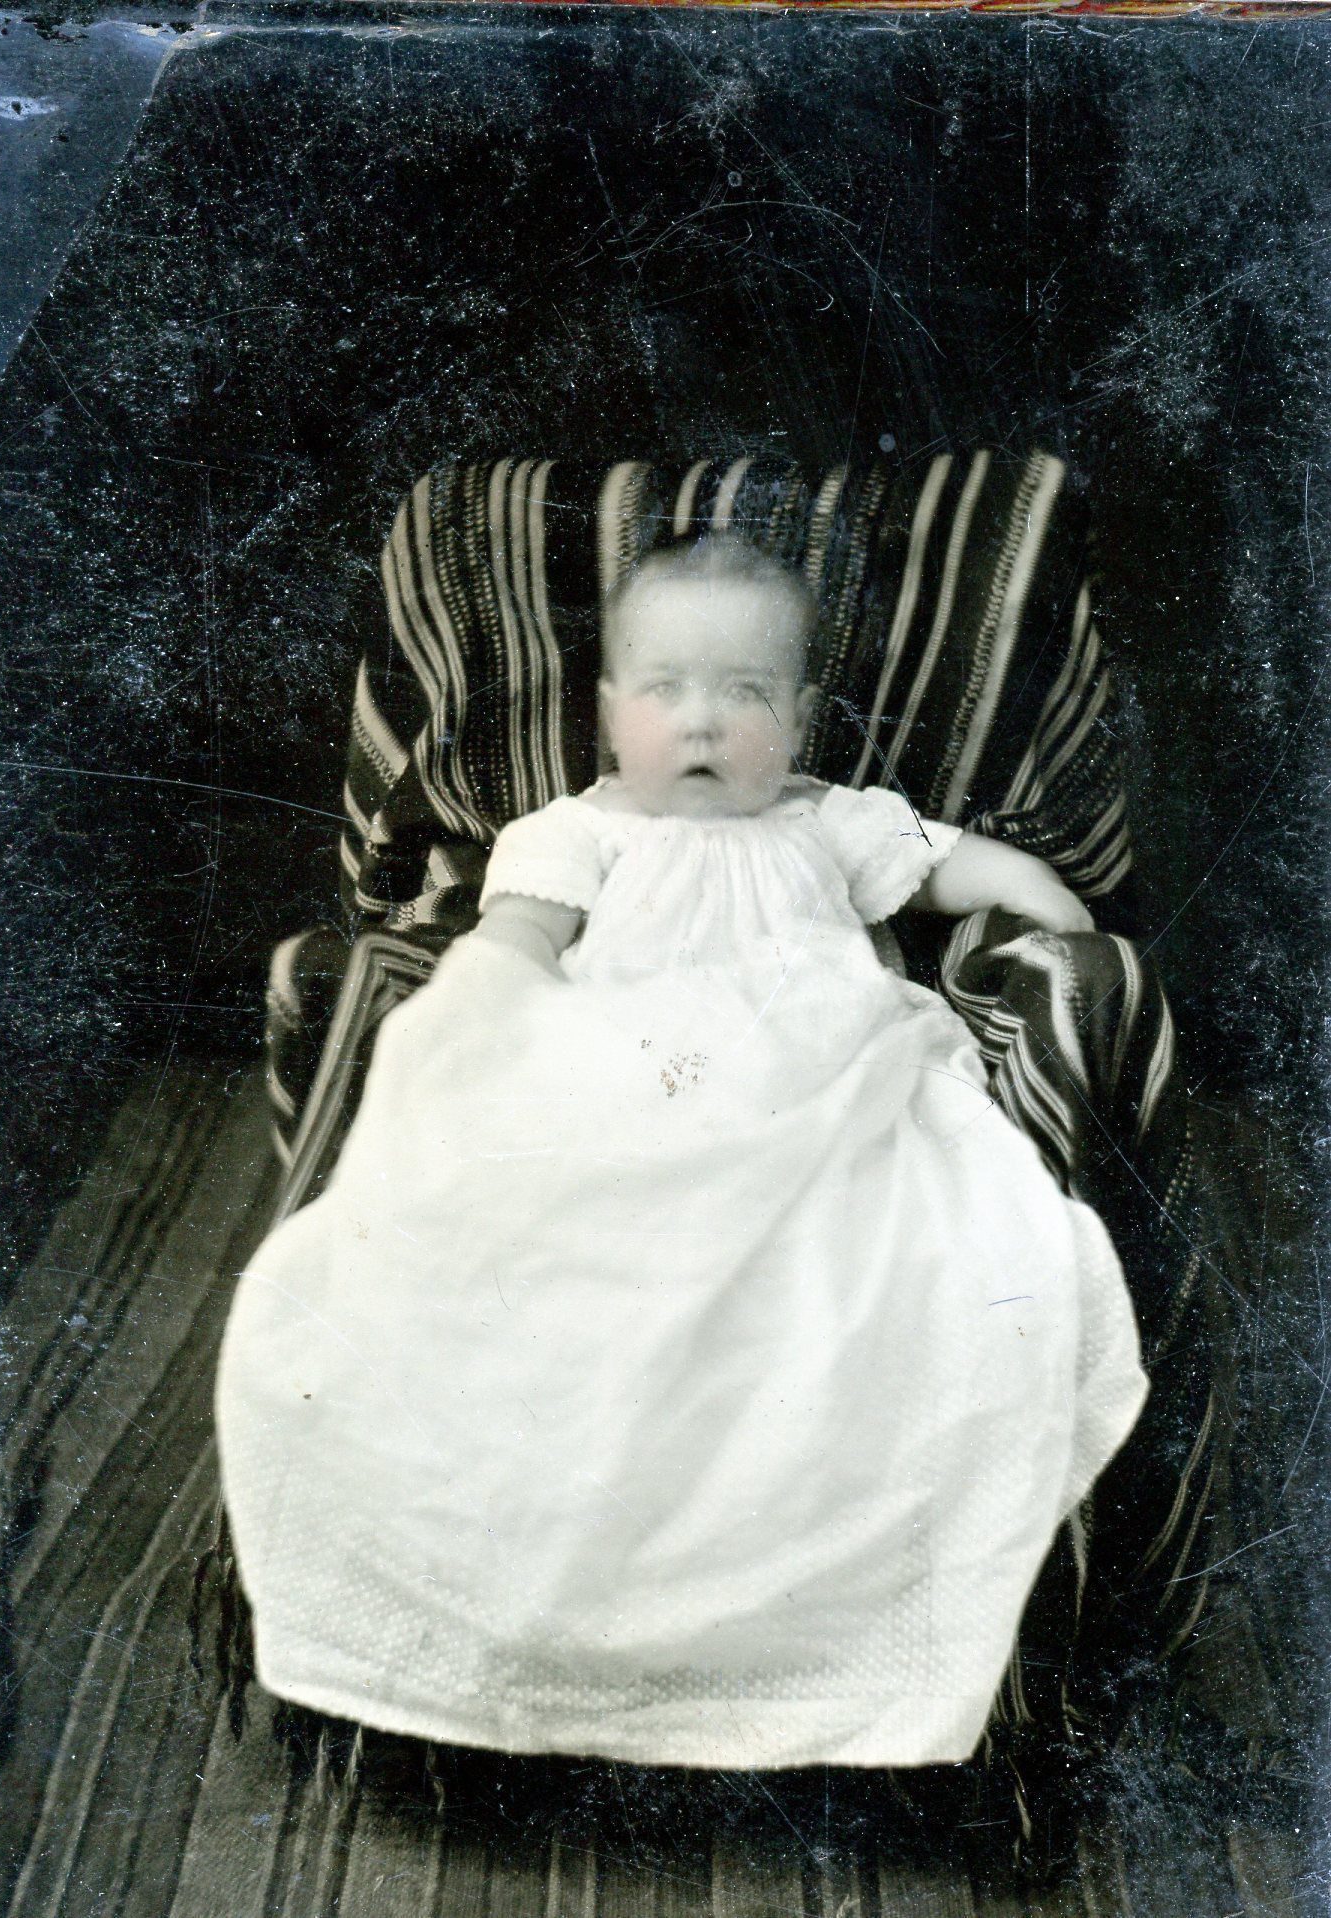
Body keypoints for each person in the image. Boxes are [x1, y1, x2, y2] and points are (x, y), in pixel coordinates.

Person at [215, 537, 1147, 1772]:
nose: (701, 721)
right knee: (555, 1243)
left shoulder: (830, 822)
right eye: (665, 689)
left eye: (745, 692)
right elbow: (517, 942)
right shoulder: (577, 829)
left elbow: (958, 867)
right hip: (632, 1070)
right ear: (611, 712)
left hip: (814, 1085)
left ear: (799, 716)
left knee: (895, 1258)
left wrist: (1053, 908)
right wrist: (479, 1029)